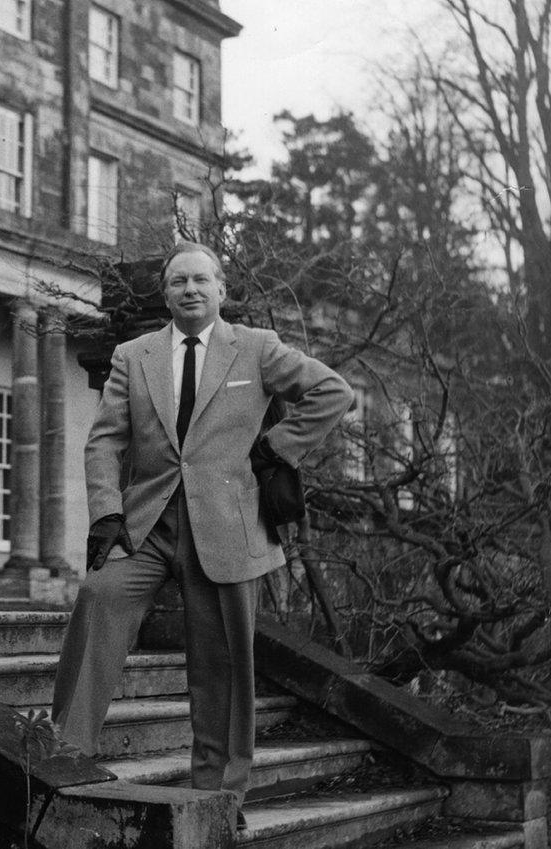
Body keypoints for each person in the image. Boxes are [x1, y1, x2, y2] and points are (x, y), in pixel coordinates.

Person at [51, 241, 353, 830]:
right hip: (147, 526)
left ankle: (218, 800)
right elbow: (105, 440)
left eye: (200, 281)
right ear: (165, 294)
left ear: (221, 289)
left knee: (223, 668)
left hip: (229, 529)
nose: (189, 290)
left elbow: (332, 392)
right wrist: (106, 512)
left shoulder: (257, 348)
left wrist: (274, 448)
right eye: (177, 282)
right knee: (99, 597)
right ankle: (64, 759)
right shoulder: (132, 355)